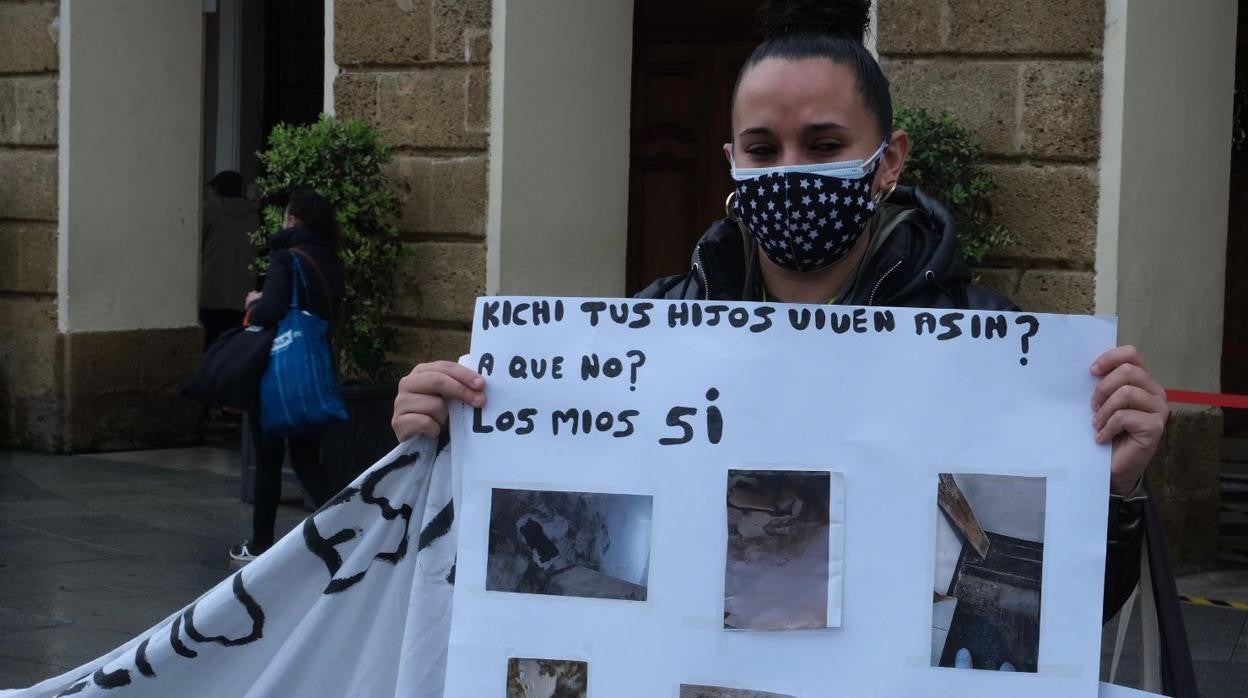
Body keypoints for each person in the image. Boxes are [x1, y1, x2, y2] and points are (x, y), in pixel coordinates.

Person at [391, 0, 1167, 639]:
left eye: (825, 144)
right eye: (763, 149)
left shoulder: (988, 346)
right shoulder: (651, 332)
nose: (790, 169)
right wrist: (442, 450)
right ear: (732, 160)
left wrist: (1115, 492)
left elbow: (1055, 615)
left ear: (888, 161)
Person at [230, 189, 346, 563]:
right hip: (313, 368)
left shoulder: (287, 258)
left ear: (293, 220)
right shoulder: (330, 259)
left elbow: (272, 310)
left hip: (279, 373)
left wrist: (253, 303)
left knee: (268, 459)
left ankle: (260, 543)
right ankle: (348, 530)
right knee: (308, 460)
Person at [200, 170, 262, 349]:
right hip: (241, 293)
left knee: (210, 344)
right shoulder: (253, 214)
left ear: (218, 188)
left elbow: (196, 241)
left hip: (211, 290)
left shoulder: (210, 209)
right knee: (233, 345)